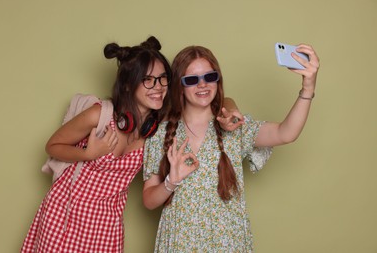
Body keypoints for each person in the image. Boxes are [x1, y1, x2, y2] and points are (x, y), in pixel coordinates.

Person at [142, 44, 320, 252]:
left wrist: (308, 88)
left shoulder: (234, 126)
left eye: (210, 77)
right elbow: (149, 201)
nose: (202, 85)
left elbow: (285, 133)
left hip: (227, 242)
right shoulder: (162, 134)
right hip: (180, 243)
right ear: (179, 86)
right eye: (191, 80)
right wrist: (171, 182)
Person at [21, 36, 173, 252]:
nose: (158, 87)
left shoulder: (156, 130)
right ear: (128, 86)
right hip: (64, 218)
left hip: (106, 226)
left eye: (162, 78)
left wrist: (230, 107)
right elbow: (53, 145)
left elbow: (206, 104)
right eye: (148, 79)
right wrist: (88, 154)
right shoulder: (100, 115)